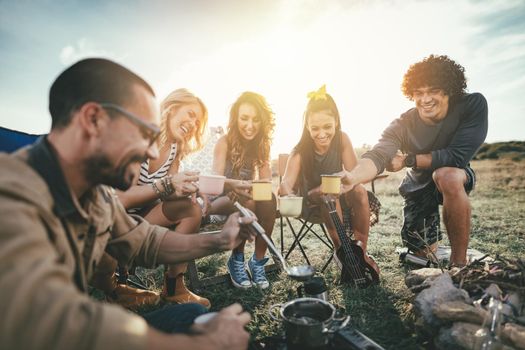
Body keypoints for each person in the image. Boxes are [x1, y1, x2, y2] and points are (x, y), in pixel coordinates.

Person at [0, 58, 254, 350]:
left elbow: (145, 241)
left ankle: (169, 292)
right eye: (143, 133)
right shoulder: (15, 193)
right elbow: (58, 325)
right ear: (93, 119)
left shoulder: (94, 196)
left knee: (193, 315)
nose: (149, 149)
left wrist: (220, 240)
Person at [341, 54, 488, 267]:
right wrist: (352, 177)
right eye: (419, 93)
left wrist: (408, 160)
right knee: (421, 256)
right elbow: (379, 154)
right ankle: (432, 248)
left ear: (449, 90)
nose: (425, 99)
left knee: (446, 175)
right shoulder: (403, 123)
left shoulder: (472, 104)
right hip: (417, 185)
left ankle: (459, 263)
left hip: (455, 174)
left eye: (433, 91)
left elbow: (457, 156)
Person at [114, 88, 211, 308]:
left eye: (198, 122)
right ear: (171, 109)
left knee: (190, 208)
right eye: (191, 115)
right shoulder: (140, 137)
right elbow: (122, 198)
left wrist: (188, 189)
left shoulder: (175, 149)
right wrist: (167, 185)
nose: (193, 124)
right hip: (114, 220)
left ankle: (173, 286)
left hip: (144, 219)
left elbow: (168, 194)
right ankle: (115, 285)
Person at [279, 85, 379, 261]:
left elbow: (355, 176)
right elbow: (286, 183)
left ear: (336, 123)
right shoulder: (300, 151)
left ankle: (361, 252)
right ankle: (343, 253)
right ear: (308, 127)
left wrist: (347, 184)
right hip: (313, 201)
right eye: (315, 128)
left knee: (359, 190)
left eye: (327, 127)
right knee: (328, 193)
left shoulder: (342, 139)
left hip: (342, 195)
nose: (322, 133)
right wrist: (287, 193)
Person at [208, 91, 277, 289]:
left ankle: (257, 261)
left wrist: (259, 186)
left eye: (256, 119)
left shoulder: (262, 144)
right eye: (244, 118)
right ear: (235, 118)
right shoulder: (225, 142)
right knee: (247, 199)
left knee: (269, 198)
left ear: (262, 121)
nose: (250, 125)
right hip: (223, 197)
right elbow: (215, 180)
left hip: (247, 196)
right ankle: (237, 260)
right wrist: (234, 185)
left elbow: (265, 179)